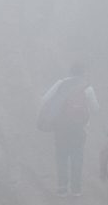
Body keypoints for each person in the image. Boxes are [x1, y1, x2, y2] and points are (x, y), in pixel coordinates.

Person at [39, 64, 98, 196]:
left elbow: (44, 99)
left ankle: (62, 188)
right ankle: (76, 189)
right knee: (77, 156)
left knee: (61, 156)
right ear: (83, 73)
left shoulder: (61, 83)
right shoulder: (87, 87)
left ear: (70, 72)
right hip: (79, 128)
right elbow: (95, 108)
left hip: (61, 127)